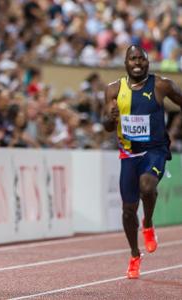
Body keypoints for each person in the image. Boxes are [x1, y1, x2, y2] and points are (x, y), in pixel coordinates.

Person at [103, 45, 182, 279]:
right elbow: (107, 125)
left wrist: (175, 128)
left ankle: (148, 223)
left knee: (147, 186)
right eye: (132, 58)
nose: (137, 62)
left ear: (148, 62)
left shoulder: (161, 85)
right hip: (128, 155)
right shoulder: (113, 89)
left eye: (142, 58)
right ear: (125, 63)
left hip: (155, 150)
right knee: (128, 211)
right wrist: (110, 117)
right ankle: (135, 254)